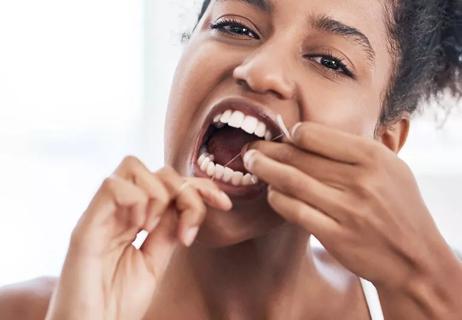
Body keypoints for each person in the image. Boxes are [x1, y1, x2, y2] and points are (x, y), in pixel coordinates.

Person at [1, 0, 462, 319]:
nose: (259, 70)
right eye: (235, 27)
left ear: (383, 143)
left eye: (328, 60)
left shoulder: (427, 296)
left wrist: (430, 284)